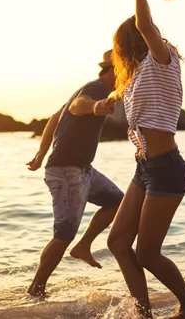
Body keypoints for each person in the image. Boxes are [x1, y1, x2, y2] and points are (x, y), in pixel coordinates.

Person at [106, 0, 185, 318]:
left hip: (166, 169)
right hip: (144, 168)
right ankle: (142, 312)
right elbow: (127, 93)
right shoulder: (137, 74)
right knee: (117, 242)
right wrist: (109, 100)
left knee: (147, 253)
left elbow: (146, 25)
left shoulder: (163, 60)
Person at [25, 50, 124, 297]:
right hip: (66, 171)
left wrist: (40, 154)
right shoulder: (97, 88)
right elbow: (79, 107)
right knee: (64, 233)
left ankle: (84, 245)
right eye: (127, 70)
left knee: (117, 202)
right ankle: (36, 289)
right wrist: (96, 106)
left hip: (82, 169)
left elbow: (55, 118)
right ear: (114, 70)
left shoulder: (89, 89)